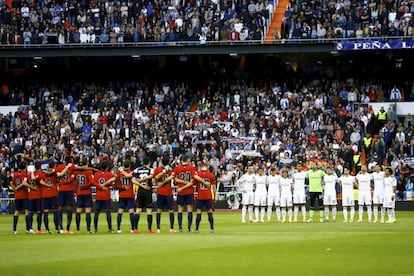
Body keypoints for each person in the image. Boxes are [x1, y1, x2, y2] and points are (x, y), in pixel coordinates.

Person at [173, 155, 198, 232]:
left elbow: (175, 180)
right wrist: (186, 183)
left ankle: (180, 227)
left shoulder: (177, 168)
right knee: (189, 209)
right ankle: (189, 228)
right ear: (187, 160)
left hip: (180, 192)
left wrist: (181, 185)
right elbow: (194, 180)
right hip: (189, 191)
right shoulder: (192, 168)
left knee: (180, 209)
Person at [74, 158, 99, 233]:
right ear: (87, 163)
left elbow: (75, 182)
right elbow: (92, 182)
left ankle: (78, 228)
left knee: (78, 211)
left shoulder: (76, 172)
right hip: (87, 193)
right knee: (88, 211)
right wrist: (85, 186)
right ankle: (88, 229)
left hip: (79, 193)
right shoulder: (89, 171)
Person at [132, 157, 155, 233]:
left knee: (138, 209)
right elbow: (152, 176)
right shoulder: (151, 170)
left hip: (140, 190)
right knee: (149, 210)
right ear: (149, 162)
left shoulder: (137, 170)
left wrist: (141, 183)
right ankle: (149, 229)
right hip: (148, 190)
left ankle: (135, 228)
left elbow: (132, 179)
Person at [154, 156, 177, 233]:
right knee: (170, 210)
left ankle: (158, 228)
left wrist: (161, 183)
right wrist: (164, 171)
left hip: (161, 191)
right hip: (167, 192)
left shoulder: (157, 169)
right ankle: (171, 228)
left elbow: (156, 178)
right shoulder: (168, 170)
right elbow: (157, 177)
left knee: (159, 210)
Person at [55, 156, 77, 234]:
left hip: (61, 190)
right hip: (69, 190)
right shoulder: (73, 167)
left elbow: (57, 175)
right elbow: (71, 178)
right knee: (69, 208)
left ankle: (60, 227)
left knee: (60, 207)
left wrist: (60, 183)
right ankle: (67, 228)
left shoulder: (59, 167)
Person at [93, 160, 116, 233]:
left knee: (96, 213)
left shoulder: (96, 174)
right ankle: (109, 228)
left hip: (98, 196)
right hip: (106, 196)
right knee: (108, 212)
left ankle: (95, 229)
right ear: (107, 167)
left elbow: (94, 183)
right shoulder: (109, 174)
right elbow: (113, 185)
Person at [28, 160, 51, 234]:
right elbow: (41, 182)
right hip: (38, 195)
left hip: (31, 195)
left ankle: (30, 228)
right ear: (40, 166)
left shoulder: (30, 174)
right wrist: (49, 186)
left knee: (31, 212)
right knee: (39, 212)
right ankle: (38, 229)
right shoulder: (40, 174)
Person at [194, 162, 217, 233]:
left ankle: (197, 229)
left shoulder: (198, 174)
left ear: (201, 167)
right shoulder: (211, 175)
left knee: (198, 212)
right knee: (209, 212)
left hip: (200, 196)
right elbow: (214, 187)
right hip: (208, 196)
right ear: (207, 167)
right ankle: (212, 228)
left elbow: (194, 183)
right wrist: (215, 196)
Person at [115, 159, 135, 233]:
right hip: (130, 194)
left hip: (122, 195)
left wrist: (122, 187)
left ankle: (118, 228)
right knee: (131, 212)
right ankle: (132, 228)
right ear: (129, 165)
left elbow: (116, 184)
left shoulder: (119, 173)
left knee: (120, 212)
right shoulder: (132, 172)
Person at [11, 161, 31, 234]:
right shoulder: (25, 174)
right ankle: (27, 229)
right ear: (25, 167)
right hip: (24, 195)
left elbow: (12, 184)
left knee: (17, 211)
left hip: (17, 196)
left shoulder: (15, 174)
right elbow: (24, 183)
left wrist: (15, 190)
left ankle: (14, 229)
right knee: (27, 211)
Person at [42, 160, 60, 233]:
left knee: (46, 212)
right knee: (55, 211)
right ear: (54, 166)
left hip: (45, 194)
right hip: (53, 194)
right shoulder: (54, 173)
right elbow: (59, 174)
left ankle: (47, 229)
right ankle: (56, 228)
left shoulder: (43, 173)